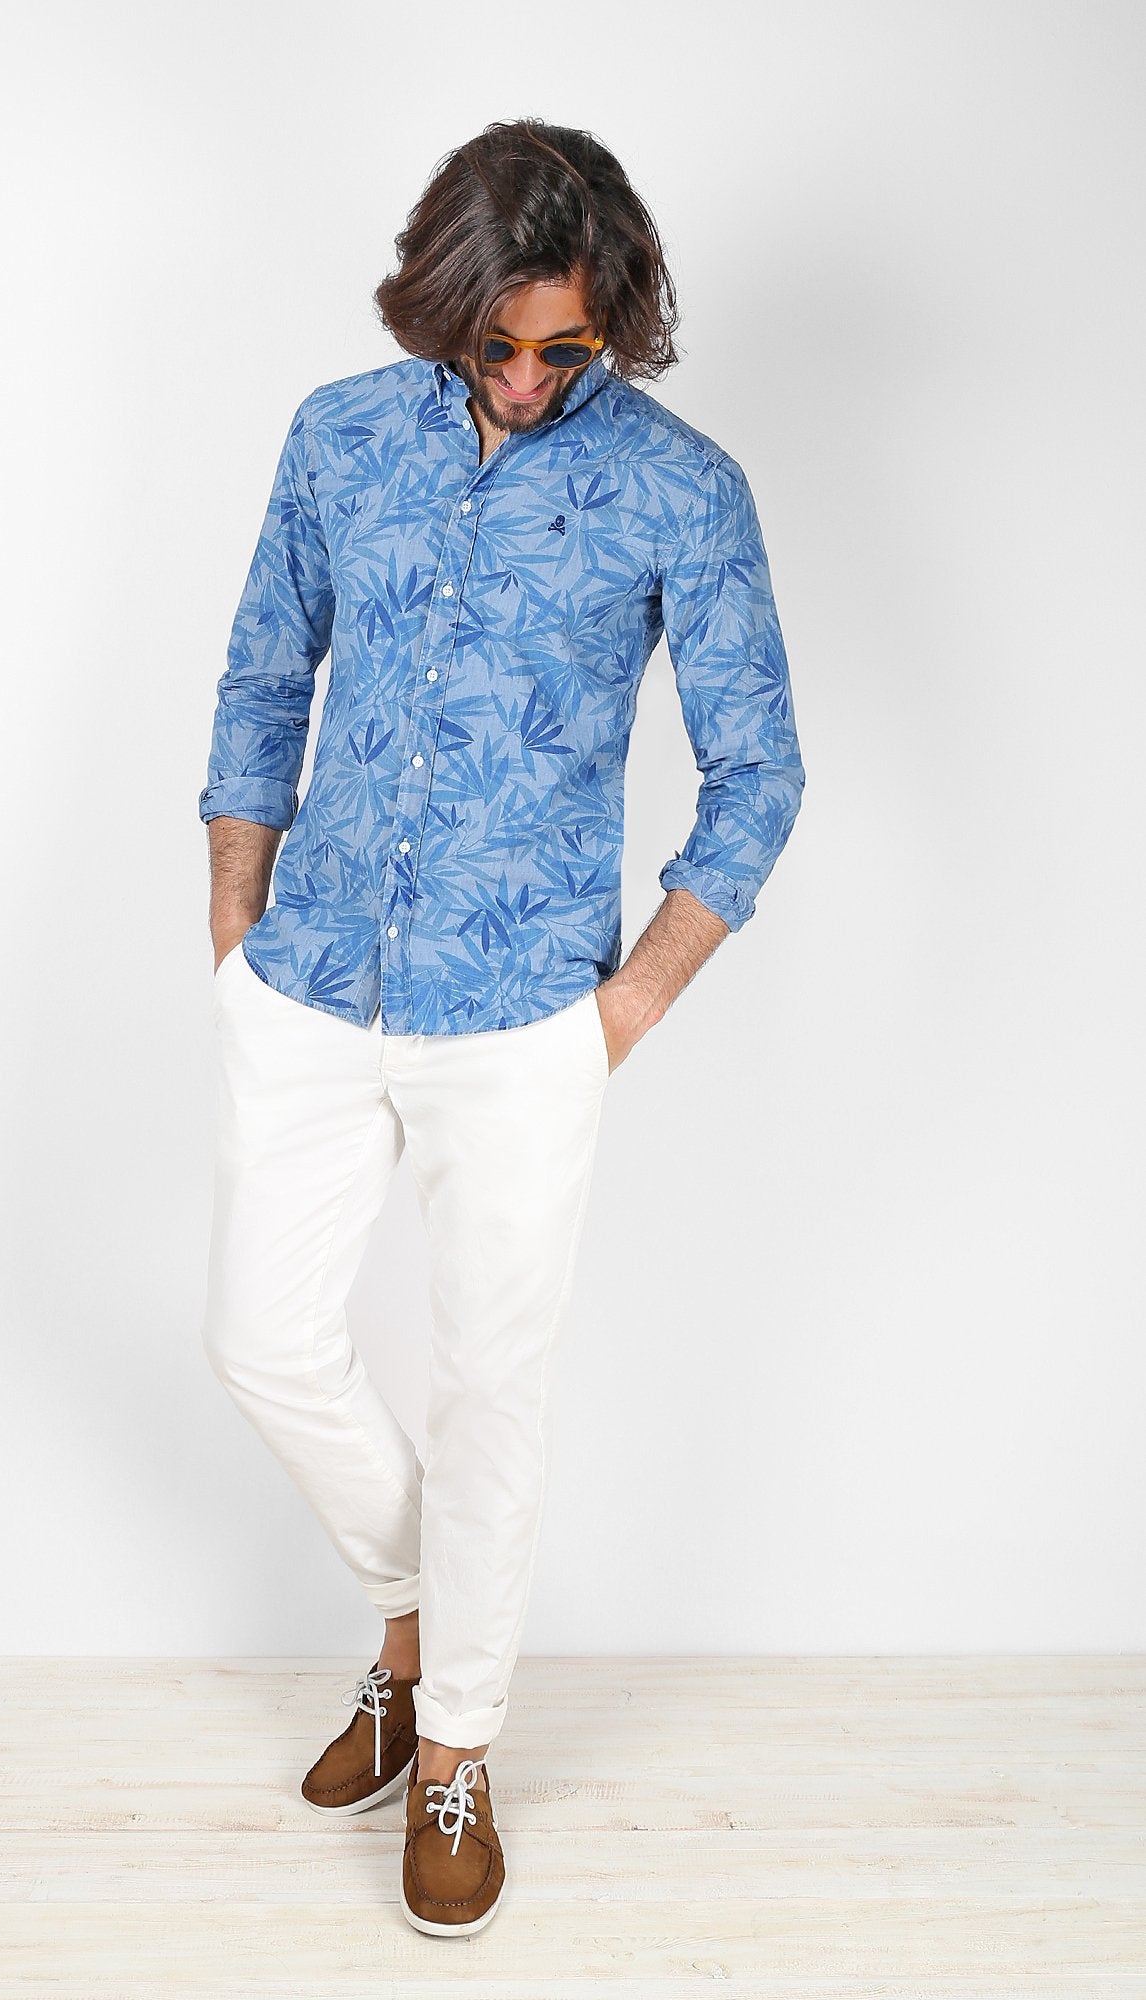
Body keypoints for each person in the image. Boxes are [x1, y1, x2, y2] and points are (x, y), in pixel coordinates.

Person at [198, 116, 805, 1937]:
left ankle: (454, 1741)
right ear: (437, 304)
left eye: (570, 345)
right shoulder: (337, 437)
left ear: (616, 315)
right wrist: (234, 922)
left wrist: (623, 1007)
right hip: (308, 981)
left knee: (490, 1393)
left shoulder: (680, 489)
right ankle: (409, 1625)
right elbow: (264, 671)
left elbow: (759, 773)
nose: (531, 379)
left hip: (524, 1010)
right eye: (498, 344)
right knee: (261, 1341)